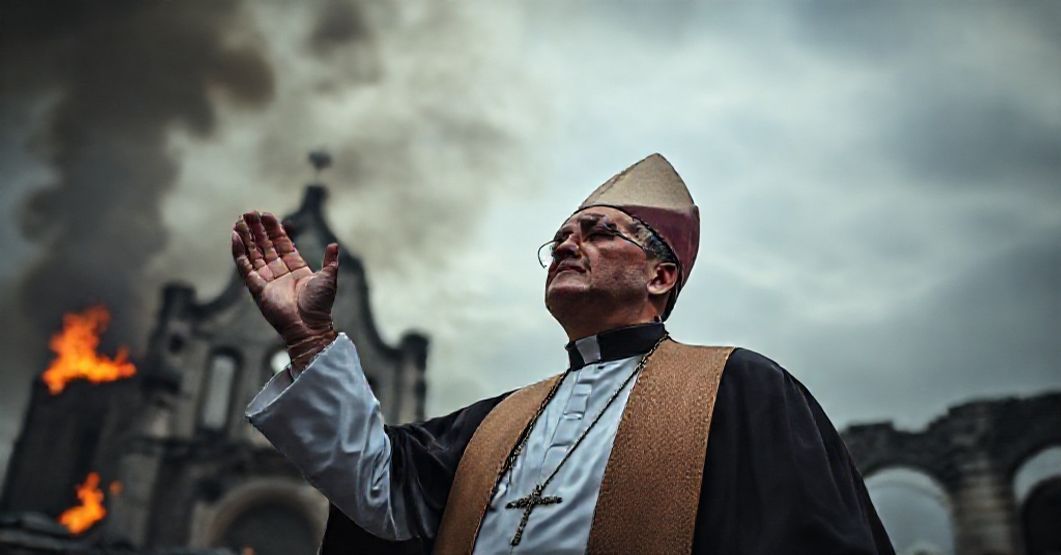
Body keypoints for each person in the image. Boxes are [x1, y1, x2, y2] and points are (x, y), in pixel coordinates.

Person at [233, 154, 894, 554]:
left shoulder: (740, 389)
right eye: (560, 238)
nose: (569, 244)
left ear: (660, 277)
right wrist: (309, 337)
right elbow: (378, 496)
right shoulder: (494, 425)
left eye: (599, 232)